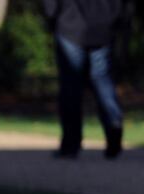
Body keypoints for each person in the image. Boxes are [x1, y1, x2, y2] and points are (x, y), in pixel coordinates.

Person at [43, 0, 125, 158]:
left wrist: (52, 15)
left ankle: (71, 143)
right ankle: (113, 125)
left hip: (71, 25)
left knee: (71, 86)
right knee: (103, 81)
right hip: (103, 27)